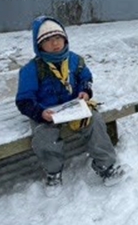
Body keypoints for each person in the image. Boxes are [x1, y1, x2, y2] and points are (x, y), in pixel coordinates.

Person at [15, 16, 125, 192]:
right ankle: (53, 172)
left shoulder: (75, 60)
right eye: (48, 40)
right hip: (46, 112)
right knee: (44, 136)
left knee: (95, 121)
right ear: (39, 45)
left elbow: (86, 78)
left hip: (73, 107)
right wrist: (39, 113)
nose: (55, 44)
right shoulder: (31, 69)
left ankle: (106, 166)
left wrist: (85, 92)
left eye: (58, 38)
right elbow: (24, 100)